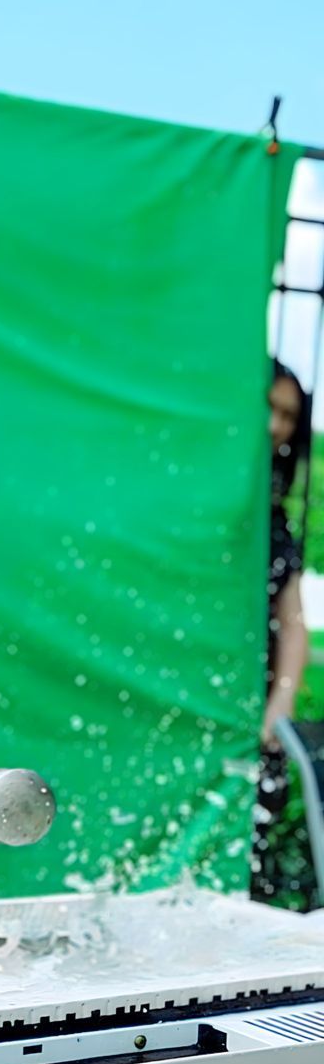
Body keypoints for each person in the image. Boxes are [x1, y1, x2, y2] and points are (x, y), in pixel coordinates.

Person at [252, 362, 311, 901]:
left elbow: (295, 626)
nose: (276, 426)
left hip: (250, 723)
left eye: (289, 416)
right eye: (267, 408)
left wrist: (281, 703)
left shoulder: (273, 519)